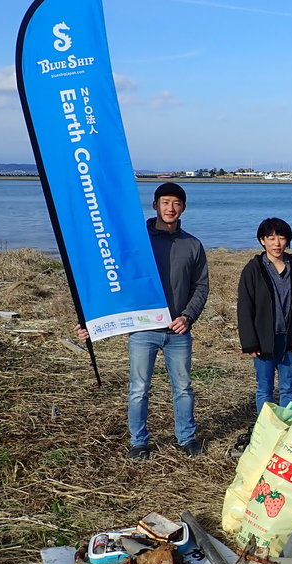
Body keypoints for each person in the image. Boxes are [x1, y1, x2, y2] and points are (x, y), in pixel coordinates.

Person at [75, 182, 209, 460]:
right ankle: (139, 441)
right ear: (155, 205)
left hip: (177, 331)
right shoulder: (135, 242)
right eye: (165, 202)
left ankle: (186, 438)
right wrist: (91, 320)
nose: (170, 208)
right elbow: (110, 277)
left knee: (183, 388)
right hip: (142, 329)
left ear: (184, 207)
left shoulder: (192, 245)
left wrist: (188, 316)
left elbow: (201, 286)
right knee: (138, 389)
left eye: (176, 203)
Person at [237, 217, 292, 414]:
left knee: (288, 386)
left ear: (288, 240)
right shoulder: (253, 269)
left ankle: (287, 428)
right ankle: (267, 429)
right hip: (263, 341)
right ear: (262, 241)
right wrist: (250, 342)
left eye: (281, 238)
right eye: (271, 238)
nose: (277, 243)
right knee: (264, 389)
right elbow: (245, 307)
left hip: (290, 340)